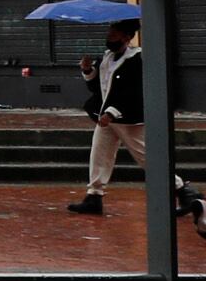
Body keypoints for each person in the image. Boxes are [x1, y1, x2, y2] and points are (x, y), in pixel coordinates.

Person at [69, 18, 206, 228]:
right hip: (105, 120)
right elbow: (99, 89)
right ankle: (93, 196)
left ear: (126, 37)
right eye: (109, 32)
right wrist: (88, 71)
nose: (109, 36)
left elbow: (135, 92)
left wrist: (113, 112)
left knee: (147, 158)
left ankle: (185, 190)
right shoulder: (105, 58)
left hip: (128, 119)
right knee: (99, 155)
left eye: (113, 34)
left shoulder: (137, 59)